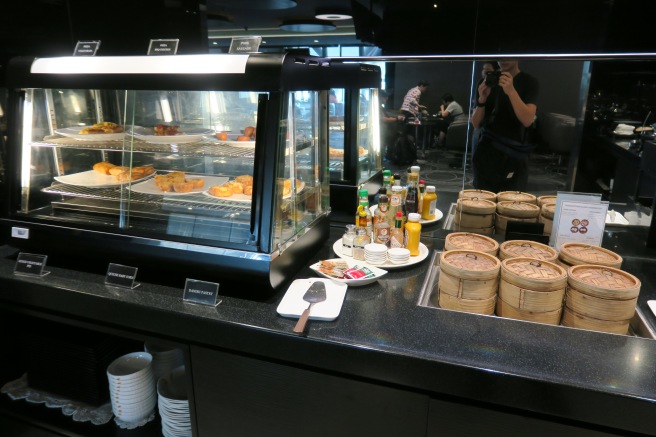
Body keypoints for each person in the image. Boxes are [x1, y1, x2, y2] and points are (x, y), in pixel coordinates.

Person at [471, 59, 539, 192]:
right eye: (501, 55)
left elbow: (527, 120)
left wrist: (511, 91)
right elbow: (475, 123)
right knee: (482, 202)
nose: (504, 60)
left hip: (513, 154)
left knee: (509, 204)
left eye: (509, 55)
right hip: (486, 153)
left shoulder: (529, 82)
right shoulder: (486, 82)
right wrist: (481, 100)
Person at [471, 61, 500, 154]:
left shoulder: (503, 85)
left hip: (498, 127)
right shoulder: (481, 83)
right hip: (481, 124)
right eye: (483, 69)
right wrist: (482, 99)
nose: (484, 72)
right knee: (476, 154)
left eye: (488, 70)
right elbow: (477, 106)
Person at [379, 90, 403, 160]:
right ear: (380, 97)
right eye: (385, 97)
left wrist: (395, 118)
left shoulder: (381, 107)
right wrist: (397, 119)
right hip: (380, 132)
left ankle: (385, 157)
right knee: (381, 146)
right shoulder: (377, 107)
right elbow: (383, 119)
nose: (387, 99)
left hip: (383, 132)